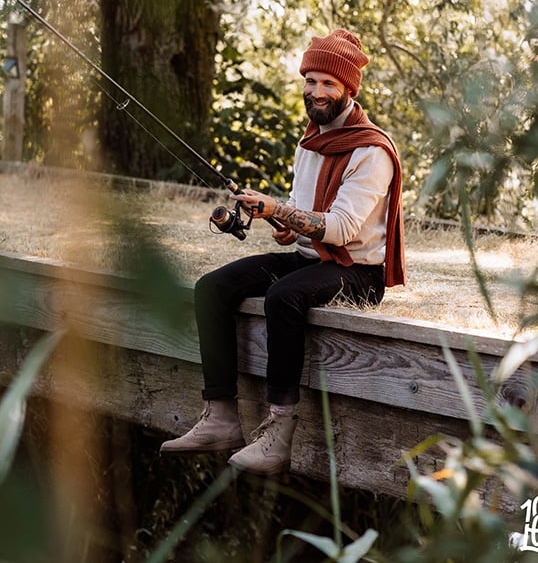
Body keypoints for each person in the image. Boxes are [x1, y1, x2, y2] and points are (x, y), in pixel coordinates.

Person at [160, 28, 405, 474]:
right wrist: (281, 220)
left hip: (358, 273)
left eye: (328, 83)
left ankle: (280, 433)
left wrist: (282, 210)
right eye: (310, 80)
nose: (317, 91)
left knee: (283, 296)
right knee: (212, 287)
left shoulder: (372, 151)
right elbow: (307, 216)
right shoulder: (310, 141)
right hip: (313, 257)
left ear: (348, 89)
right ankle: (220, 416)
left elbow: (342, 228)